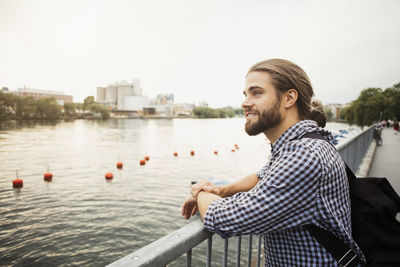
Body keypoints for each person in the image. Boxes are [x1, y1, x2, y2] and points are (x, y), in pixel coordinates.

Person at [181, 59, 365, 266]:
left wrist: (201, 192)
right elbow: (262, 176)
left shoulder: (304, 155)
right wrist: (221, 191)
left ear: (289, 98)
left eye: (256, 92)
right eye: (245, 94)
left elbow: (224, 218)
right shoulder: (302, 144)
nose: (245, 103)